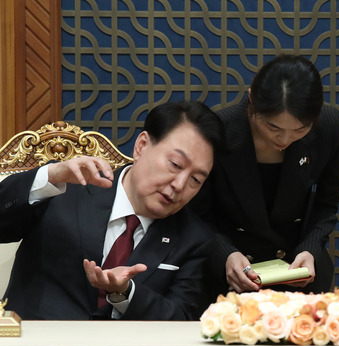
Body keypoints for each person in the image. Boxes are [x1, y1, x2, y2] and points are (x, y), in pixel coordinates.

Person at [0, 100, 225, 320]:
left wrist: (126, 293)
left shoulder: (194, 238)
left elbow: (181, 319)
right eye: (175, 165)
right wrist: (50, 176)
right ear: (142, 146)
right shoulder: (65, 188)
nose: (179, 185)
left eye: (195, 179)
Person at [193, 54, 339, 296]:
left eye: (300, 129)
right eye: (273, 127)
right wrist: (225, 253)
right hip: (229, 273)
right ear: (251, 97)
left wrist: (310, 249)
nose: (284, 140)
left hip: (297, 270)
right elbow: (196, 213)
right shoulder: (218, 131)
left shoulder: (330, 126)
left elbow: (326, 206)